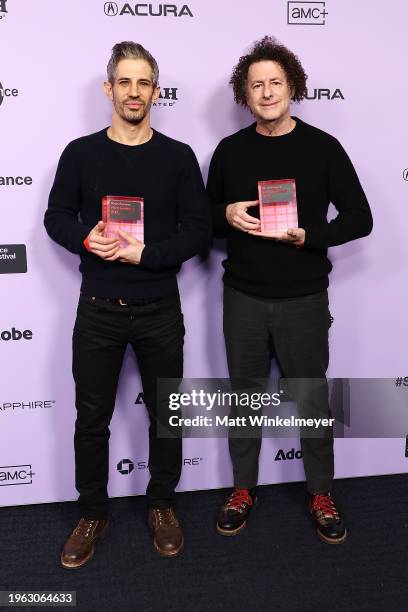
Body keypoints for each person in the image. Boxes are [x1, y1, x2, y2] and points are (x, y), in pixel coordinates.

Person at [44, 41, 210, 567]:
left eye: (144, 83)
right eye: (125, 82)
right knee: (91, 419)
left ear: (155, 92)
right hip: (97, 308)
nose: (134, 92)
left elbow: (199, 231)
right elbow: (55, 216)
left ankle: (162, 504)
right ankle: (92, 512)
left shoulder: (178, 156)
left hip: (160, 306)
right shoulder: (80, 152)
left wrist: (148, 255)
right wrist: (83, 239)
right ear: (109, 88)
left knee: (167, 416)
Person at [206, 36, 373, 544]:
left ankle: (321, 492)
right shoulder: (230, 151)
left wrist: (311, 236)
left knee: (312, 398)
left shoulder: (323, 147)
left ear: (292, 86)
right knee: (244, 400)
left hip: (303, 298)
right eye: (256, 85)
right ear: (244, 95)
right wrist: (225, 215)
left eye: (275, 82)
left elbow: (361, 218)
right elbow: (204, 221)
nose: (266, 92)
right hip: (244, 299)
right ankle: (242, 489)